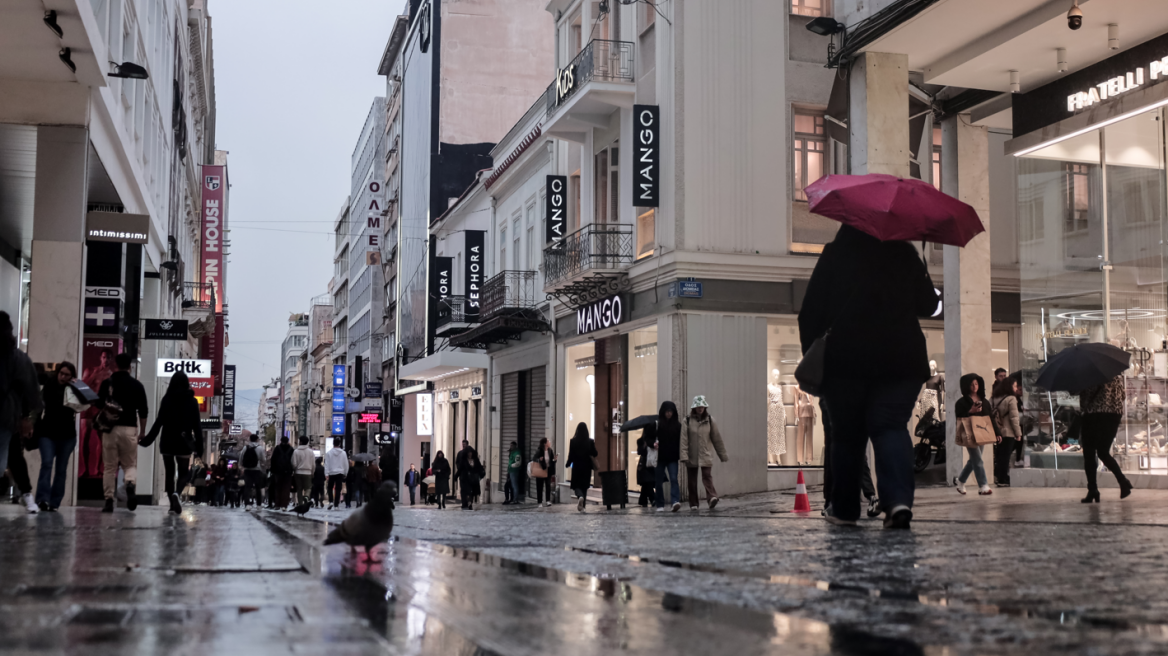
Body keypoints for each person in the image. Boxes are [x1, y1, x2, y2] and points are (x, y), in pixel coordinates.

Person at [798, 225, 937, 530]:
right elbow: (929, 305)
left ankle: (846, 510)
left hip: (846, 363)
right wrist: (921, 263)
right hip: (902, 361)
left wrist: (814, 353)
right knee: (890, 427)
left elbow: (809, 312)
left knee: (848, 435)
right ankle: (898, 502)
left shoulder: (835, 254)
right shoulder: (904, 252)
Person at [139, 371, 202, 514]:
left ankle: (171, 505)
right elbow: (197, 426)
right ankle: (176, 494)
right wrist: (199, 448)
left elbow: (159, 422)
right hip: (184, 443)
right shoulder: (192, 401)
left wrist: (146, 440)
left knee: (169, 473)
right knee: (183, 473)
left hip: (167, 441)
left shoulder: (167, 399)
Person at [97, 352, 149, 513]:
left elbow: (99, 404)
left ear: (116, 365)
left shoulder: (107, 383)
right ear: (130, 366)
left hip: (110, 429)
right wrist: (142, 431)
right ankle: (130, 484)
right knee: (130, 464)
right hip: (129, 429)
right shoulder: (137, 385)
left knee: (110, 467)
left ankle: (108, 501)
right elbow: (143, 411)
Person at [35, 362, 86, 512]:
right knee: (47, 463)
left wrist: (80, 386)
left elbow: (89, 401)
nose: (63, 377)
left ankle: (55, 502)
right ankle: (42, 499)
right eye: (61, 373)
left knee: (61, 469)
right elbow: (38, 407)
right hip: (47, 432)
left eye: (67, 375)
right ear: (57, 373)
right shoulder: (49, 386)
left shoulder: (75, 389)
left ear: (72, 377)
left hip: (67, 435)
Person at [1080, 374, 1132, 503]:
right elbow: (1123, 396)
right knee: (1103, 451)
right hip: (1113, 416)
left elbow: (1083, 394)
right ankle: (1123, 481)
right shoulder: (1116, 376)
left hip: (1094, 416)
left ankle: (1093, 490)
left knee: (1089, 453)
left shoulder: (1090, 376)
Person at [954, 374, 1000, 496]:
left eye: (976, 384)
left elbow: (990, 418)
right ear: (966, 386)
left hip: (982, 432)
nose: (974, 387)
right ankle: (983, 485)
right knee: (978, 459)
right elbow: (959, 418)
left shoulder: (984, 401)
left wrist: (997, 433)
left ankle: (960, 481)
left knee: (973, 460)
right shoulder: (961, 402)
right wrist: (971, 411)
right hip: (969, 433)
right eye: (971, 384)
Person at [680, 396, 729, 510]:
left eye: (702, 406)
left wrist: (722, 455)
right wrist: (684, 455)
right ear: (694, 408)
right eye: (698, 406)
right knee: (692, 481)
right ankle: (693, 504)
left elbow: (716, 438)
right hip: (691, 455)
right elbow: (683, 440)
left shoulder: (710, 420)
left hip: (706, 454)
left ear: (705, 407)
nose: (700, 408)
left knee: (707, 476)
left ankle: (712, 497)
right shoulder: (687, 420)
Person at [992, 376, 1023, 488]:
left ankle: (998, 476)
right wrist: (1018, 433)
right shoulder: (1011, 399)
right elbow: (1014, 418)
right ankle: (1003, 478)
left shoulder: (995, 397)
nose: (1016, 389)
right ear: (1010, 386)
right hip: (1008, 431)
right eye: (1014, 386)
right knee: (1006, 456)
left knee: (1000, 455)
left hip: (998, 430)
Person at [654, 402, 683, 512]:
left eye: (671, 411)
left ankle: (675, 501)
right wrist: (653, 443)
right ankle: (660, 504)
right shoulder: (657, 425)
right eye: (667, 411)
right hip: (660, 457)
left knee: (674, 479)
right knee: (658, 482)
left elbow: (682, 441)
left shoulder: (678, 426)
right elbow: (648, 438)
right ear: (663, 412)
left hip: (672, 457)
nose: (669, 414)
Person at [566, 423, 597, 512]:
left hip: (577, 467)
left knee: (576, 486)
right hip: (587, 468)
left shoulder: (573, 441)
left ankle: (580, 497)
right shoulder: (590, 441)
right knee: (584, 487)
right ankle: (583, 507)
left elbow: (571, 455)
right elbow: (595, 453)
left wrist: (568, 463)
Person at [240, 433, 268, 507]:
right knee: (258, 487)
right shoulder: (260, 448)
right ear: (257, 440)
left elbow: (241, 458)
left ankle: (247, 504)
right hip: (257, 470)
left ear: (250, 439)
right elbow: (263, 459)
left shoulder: (245, 447)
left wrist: (242, 466)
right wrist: (261, 464)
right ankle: (258, 504)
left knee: (247, 487)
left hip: (247, 470)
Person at [269, 436, 295, 509]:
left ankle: (277, 504)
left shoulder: (277, 448)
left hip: (277, 472)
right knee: (286, 488)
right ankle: (284, 505)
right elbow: (293, 461)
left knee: (277, 487)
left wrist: (272, 470)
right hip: (288, 472)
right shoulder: (291, 449)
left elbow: (273, 460)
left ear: (280, 441)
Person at [455, 439, 481, 510]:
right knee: (464, 490)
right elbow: (458, 464)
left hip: (471, 478)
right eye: (463, 444)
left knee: (469, 491)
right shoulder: (460, 454)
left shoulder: (473, 458)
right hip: (463, 476)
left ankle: (469, 502)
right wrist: (458, 473)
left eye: (465, 444)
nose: (464, 446)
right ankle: (464, 503)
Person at [636, 425, 657, 508]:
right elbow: (639, 452)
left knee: (647, 483)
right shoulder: (640, 441)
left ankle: (642, 500)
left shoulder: (654, 440)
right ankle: (653, 499)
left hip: (651, 463)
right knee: (647, 482)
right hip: (644, 464)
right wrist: (643, 447)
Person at [324, 443, 349, 509]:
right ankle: (336, 505)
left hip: (331, 472)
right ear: (339, 444)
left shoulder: (329, 453)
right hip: (340, 473)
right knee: (338, 489)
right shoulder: (343, 453)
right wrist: (345, 473)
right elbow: (346, 463)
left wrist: (326, 474)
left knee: (329, 487)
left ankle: (331, 501)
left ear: (333, 444)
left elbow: (326, 464)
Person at [291, 436, 315, 505]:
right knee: (308, 487)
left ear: (300, 442)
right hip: (308, 472)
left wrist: (294, 471)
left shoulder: (296, 451)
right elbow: (313, 464)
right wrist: (312, 472)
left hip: (298, 472)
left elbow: (294, 464)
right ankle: (306, 496)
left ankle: (300, 504)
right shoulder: (311, 452)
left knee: (299, 489)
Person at [533, 437, 555, 507]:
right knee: (540, 486)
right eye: (548, 441)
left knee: (548, 485)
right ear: (545, 443)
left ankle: (548, 500)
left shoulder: (550, 450)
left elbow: (552, 460)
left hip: (548, 470)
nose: (550, 442)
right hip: (541, 470)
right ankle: (540, 502)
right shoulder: (539, 451)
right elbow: (534, 459)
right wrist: (539, 459)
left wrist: (555, 459)